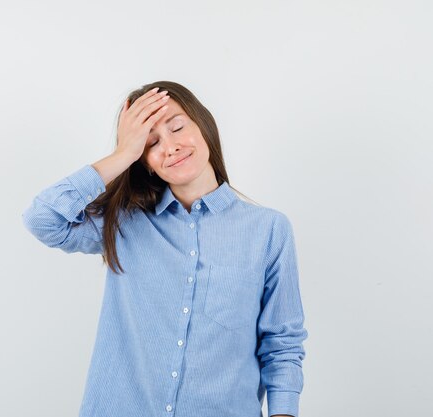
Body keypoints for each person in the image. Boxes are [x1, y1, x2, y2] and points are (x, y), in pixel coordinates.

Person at [22, 81, 308, 417]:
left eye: (177, 127)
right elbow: (42, 220)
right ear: (144, 162)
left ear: (203, 125)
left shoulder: (269, 230)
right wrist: (123, 154)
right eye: (151, 142)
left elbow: (282, 345)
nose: (170, 147)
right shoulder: (123, 221)